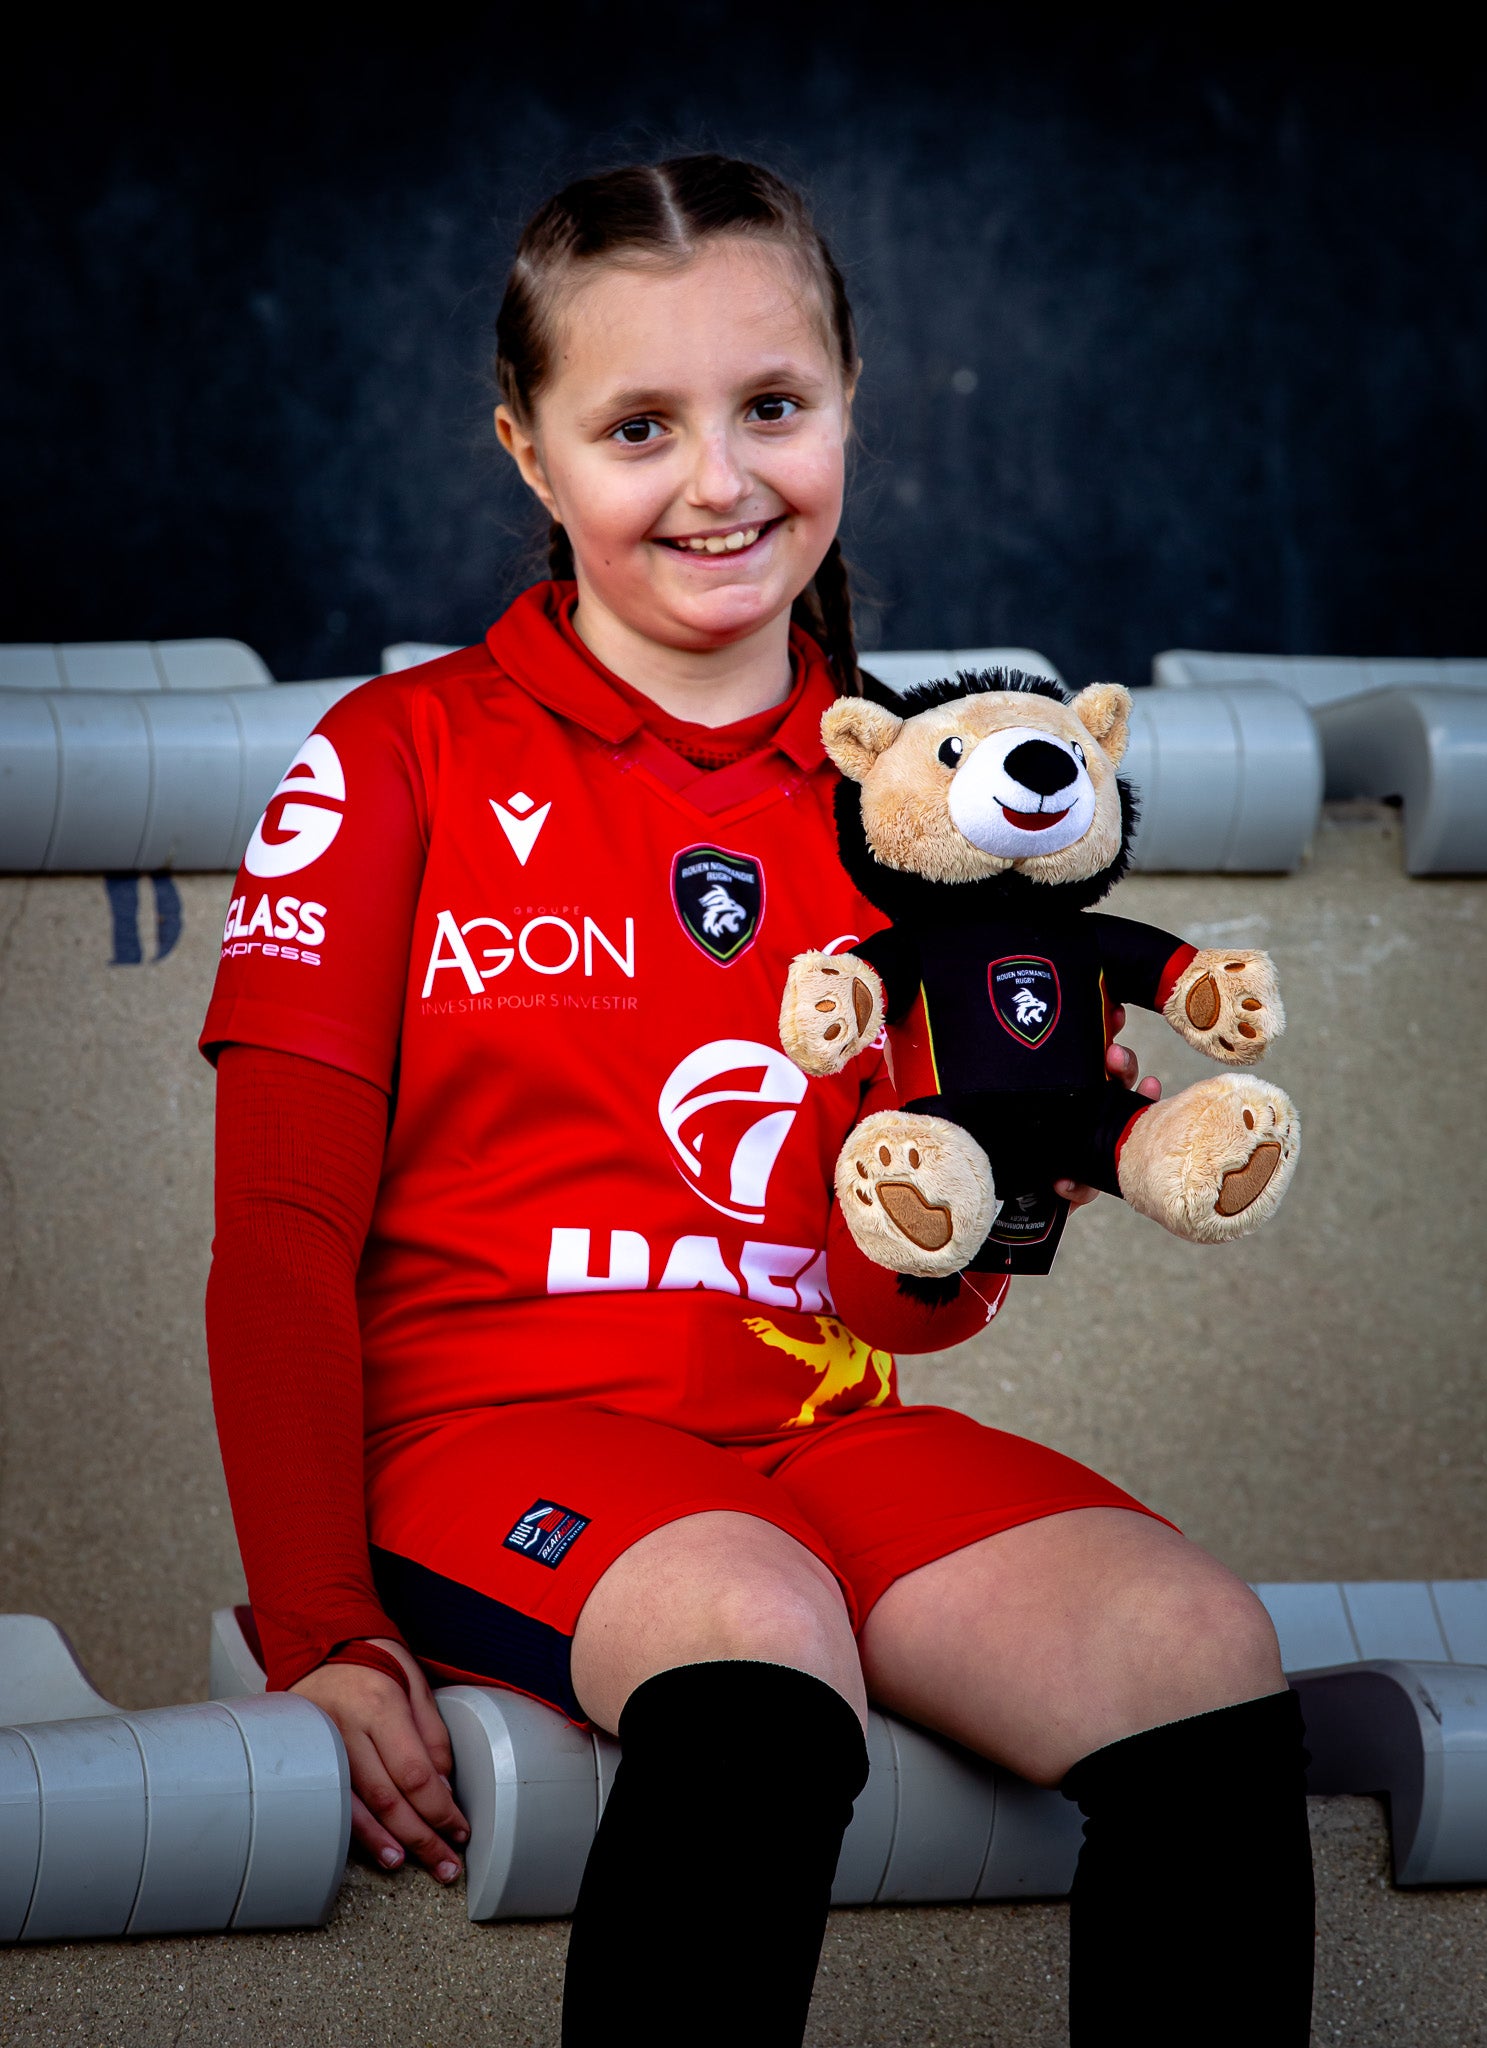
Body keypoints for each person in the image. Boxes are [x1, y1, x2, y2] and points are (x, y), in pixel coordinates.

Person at [202, 155, 1314, 2047]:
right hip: (495, 1444)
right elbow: (281, 1231)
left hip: (815, 1432)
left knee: (1199, 1652)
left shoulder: (929, 808)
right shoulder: (391, 759)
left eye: (772, 409)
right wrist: (320, 1626)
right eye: (640, 425)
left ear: (850, 410)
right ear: (533, 459)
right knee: (756, 1626)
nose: (720, 483)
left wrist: (963, 1207)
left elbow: (904, 1301)